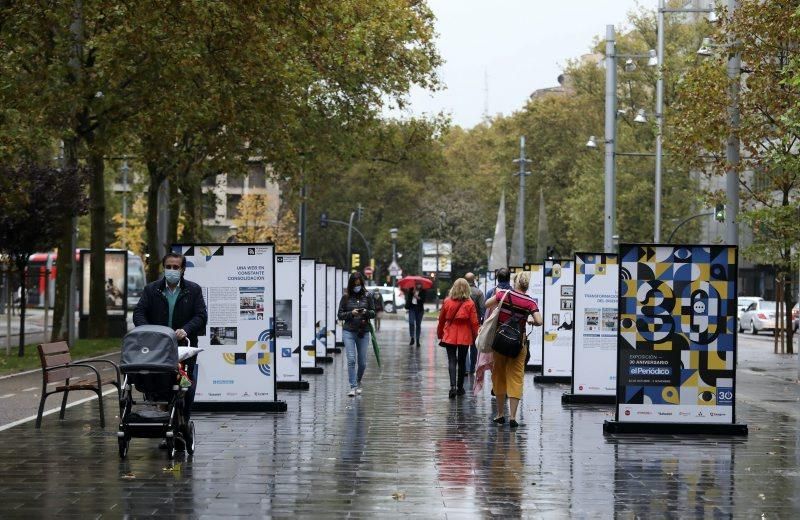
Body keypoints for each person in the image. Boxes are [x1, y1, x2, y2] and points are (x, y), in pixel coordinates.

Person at [133, 252, 207, 437]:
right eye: (168, 267)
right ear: (163, 268)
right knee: (160, 385)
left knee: (186, 387)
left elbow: (201, 316)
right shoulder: (152, 290)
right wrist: (149, 329)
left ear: (182, 270)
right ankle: (163, 422)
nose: (172, 270)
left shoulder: (193, 290)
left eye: (176, 267)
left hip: (183, 347)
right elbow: (139, 313)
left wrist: (186, 329)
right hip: (157, 347)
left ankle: (183, 423)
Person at [484, 271, 542, 428]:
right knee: (516, 377)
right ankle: (513, 417)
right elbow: (539, 321)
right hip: (518, 344)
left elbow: (486, 304)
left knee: (499, 376)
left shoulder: (503, 293)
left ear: (515, 282)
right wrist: (530, 320)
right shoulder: (530, 302)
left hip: (500, 342)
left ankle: (500, 414)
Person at [437, 278, 479, 398]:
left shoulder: (447, 301)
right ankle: (460, 388)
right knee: (461, 362)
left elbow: (441, 320)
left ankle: (452, 387)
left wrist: (440, 334)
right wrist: (477, 337)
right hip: (464, 335)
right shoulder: (470, 303)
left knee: (451, 360)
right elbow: (474, 323)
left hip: (450, 334)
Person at [337, 271, 376, 397]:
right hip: (349, 331)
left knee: (363, 362)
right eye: (355, 284)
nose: (357, 286)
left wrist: (365, 312)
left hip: (363, 332)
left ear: (362, 283)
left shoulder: (368, 296)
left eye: (359, 283)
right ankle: (353, 386)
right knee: (351, 360)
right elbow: (340, 315)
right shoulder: (346, 297)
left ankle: (358, 380)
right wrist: (351, 313)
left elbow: (373, 313)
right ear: (351, 284)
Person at [464, 272, 485, 375]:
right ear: (474, 280)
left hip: (463, 323)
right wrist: (482, 324)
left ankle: (466, 368)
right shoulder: (479, 293)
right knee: (473, 347)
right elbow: (482, 310)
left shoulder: (461, 292)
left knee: (463, 346)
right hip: (475, 323)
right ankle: (472, 368)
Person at [404, 281, 426, 347]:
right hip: (412, 308)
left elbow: (423, 300)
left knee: (418, 325)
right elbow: (408, 299)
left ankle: (418, 340)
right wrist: (411, 292)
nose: (419, 285)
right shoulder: (411, 290)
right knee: (411, 323)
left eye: (420, 284)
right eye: (417, 284)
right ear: (415, 285)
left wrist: (415, 295)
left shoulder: (423, 291)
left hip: (419, 310)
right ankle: (412, 337)